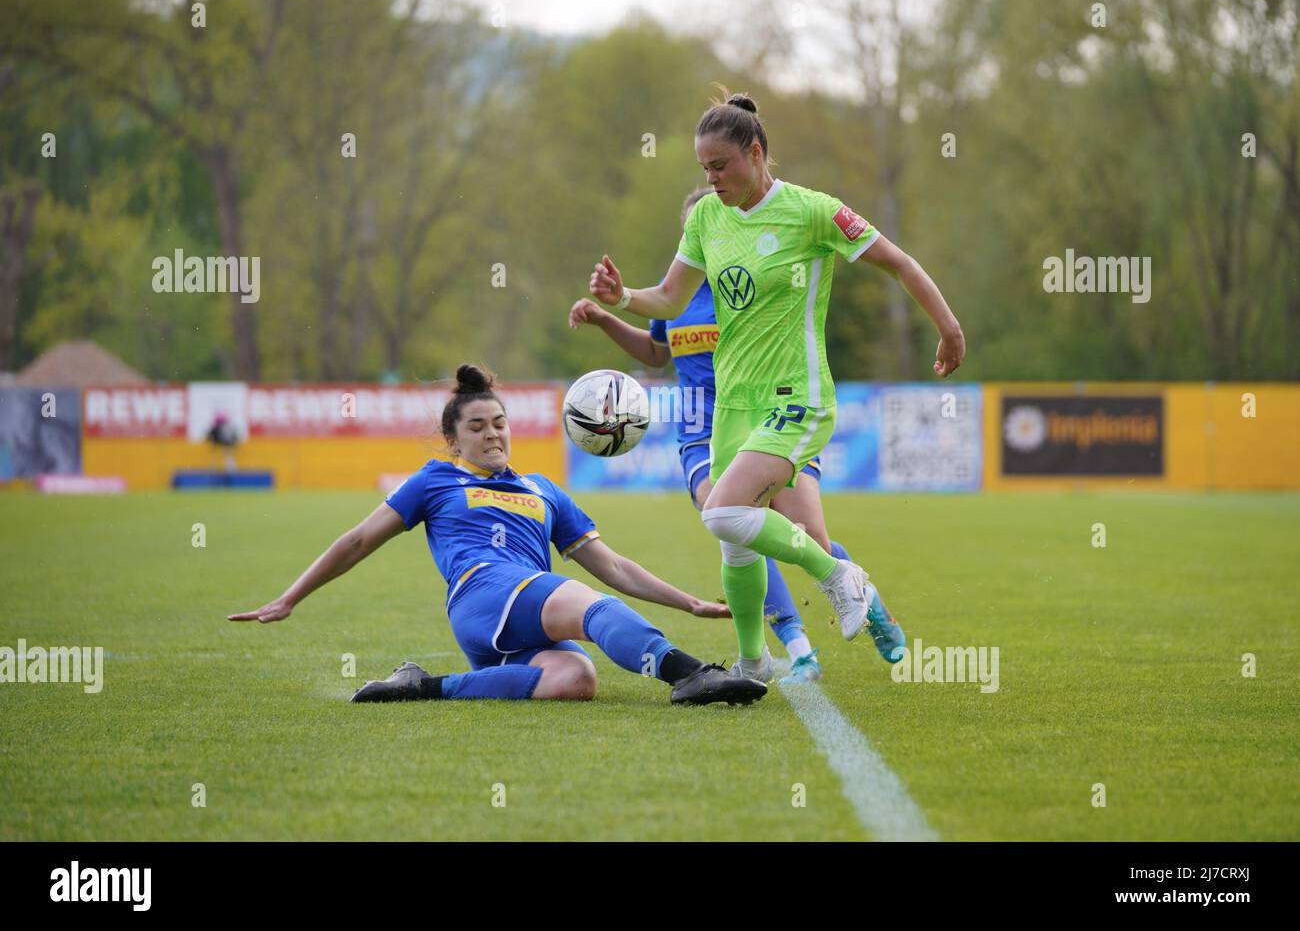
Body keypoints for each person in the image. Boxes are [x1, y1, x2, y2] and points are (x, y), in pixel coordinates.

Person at [587, 90, 965, 681]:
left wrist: (948, 327)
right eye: (704, 169)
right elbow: (669, 298)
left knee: (723, 513)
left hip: (797, 396)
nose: (711, 179)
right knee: (735, 540)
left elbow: (899, 262)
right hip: (733, 406)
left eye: (721, 166)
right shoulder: (708, 219)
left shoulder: (814, 212)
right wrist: (624, 298)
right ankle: (753, 659)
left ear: (756, 153)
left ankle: (840, 577)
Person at [228, 363, 767, 707]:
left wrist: (689, 603)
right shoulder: (437, 478)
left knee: (575, 679)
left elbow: (615, 566)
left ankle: (423, 685)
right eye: (477, 427)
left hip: (525, 610)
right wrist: (291, 597)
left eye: (500, 423)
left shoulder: (543, 490)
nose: (493, 434)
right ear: (452, 440)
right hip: (482, 591)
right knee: (587, 603)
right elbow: (357, 540)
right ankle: (690, 676)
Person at [569, 187, 863, 684]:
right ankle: (791, 644)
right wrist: (606, 319)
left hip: (767, 416)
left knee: (808, 536)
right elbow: (657, 353)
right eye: (691, 232)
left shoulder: (748, 290)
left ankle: (867, 607)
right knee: (726, 517)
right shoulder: (674, 297)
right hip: (699, 429)